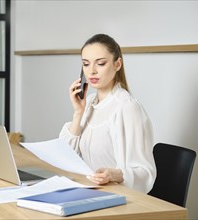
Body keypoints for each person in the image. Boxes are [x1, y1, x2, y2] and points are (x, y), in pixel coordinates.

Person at [59, 34, 156, 193]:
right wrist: (78, 113)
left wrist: (115, 174)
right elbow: (65, 156)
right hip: (91, 191)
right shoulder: (90, 103)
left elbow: (145, 173)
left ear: (117, 64)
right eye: (86, 64)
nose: (92, 71)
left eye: (101, 63)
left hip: (119, 197)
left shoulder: (127, 108)